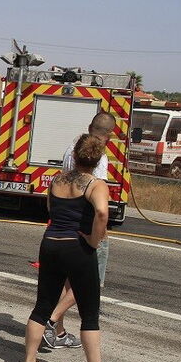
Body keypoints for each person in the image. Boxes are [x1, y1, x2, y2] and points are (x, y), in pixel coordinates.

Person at [20, 134, 126, 362]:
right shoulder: (96, 185)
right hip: (77, 247)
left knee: (42, 305)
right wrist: (94, 240)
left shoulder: (57, 180)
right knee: (89, 311)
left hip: (50, 244)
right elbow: (102, 212)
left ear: (74, 155)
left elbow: (50, 208)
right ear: (98, 159)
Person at [42, 112, 117, 349]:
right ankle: (51, 320)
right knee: (89, 281)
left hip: (61, 227)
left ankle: (58, 333)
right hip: (84, 229)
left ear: (89, 126)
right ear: (110, 135)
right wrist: (97, 236)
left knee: (65, 282)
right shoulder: (99, 157)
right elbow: (99, 204)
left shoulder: (72, 149)